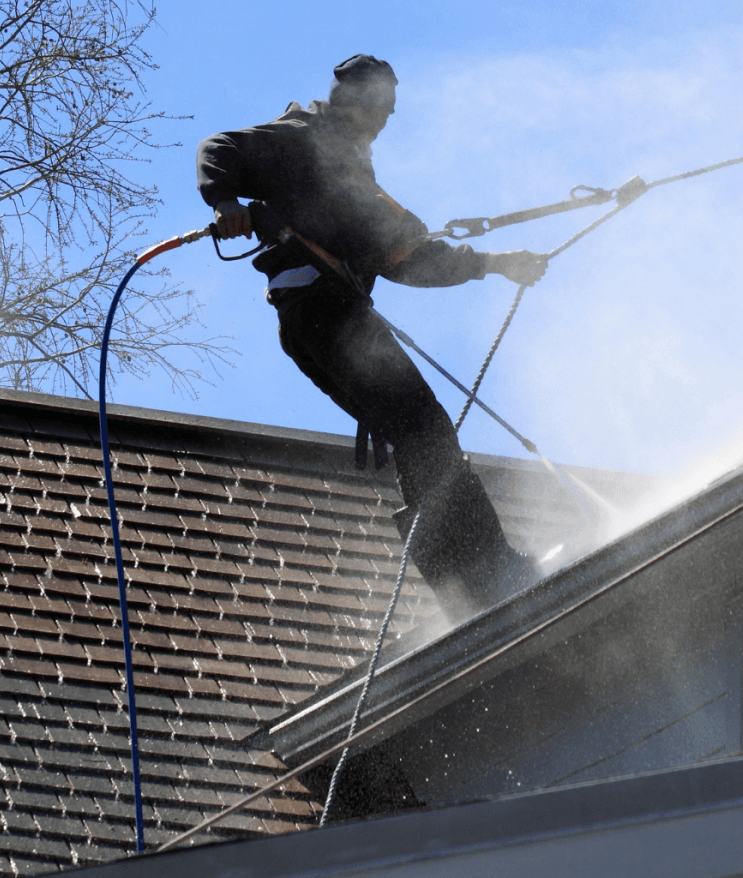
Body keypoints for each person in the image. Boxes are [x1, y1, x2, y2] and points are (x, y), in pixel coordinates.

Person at [197, 54, 548, 619]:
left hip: (320, 323)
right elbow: (219, 148)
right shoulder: (301, 138)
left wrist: (494, 263)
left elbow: (408, 260)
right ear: (353, 102)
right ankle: (488, 571)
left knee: (414, 432)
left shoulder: (355, 180)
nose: (385, 122)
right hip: (324, 312)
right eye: (380, 109)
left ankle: (464, 588)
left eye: (390, 112)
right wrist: (226, 201)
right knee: (424, 426)